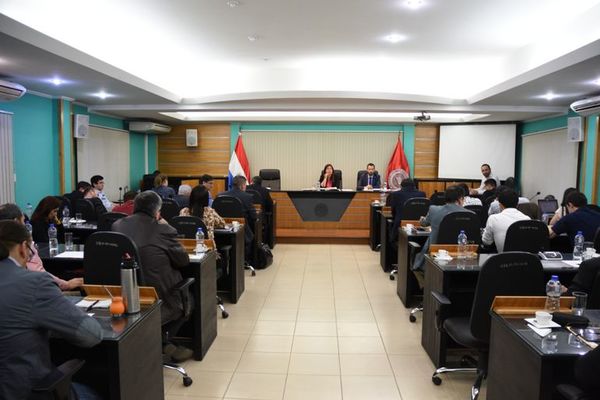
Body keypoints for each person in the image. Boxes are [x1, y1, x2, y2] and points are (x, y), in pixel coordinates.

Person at [0, 220, 102, 400]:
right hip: (25, 391)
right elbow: (91, 335)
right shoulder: (32, 283)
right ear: (24, 248)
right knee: (98, 390)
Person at [112, 191, 192, 362]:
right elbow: (183, 260)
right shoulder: (163, 228)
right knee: (189, 299)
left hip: (126, 295)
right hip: (159, 296)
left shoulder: (117, 225)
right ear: (157, 211)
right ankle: (162, 342)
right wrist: (163, 223)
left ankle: (158, 342)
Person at [0, 203, 83, 290]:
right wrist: (66, 284)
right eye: (23, 221)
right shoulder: (23, 243)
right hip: (35, 289)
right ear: (16, 222)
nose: (25, 225)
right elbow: (37, 273)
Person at [413, 186, 472, 271]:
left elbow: (424, 223)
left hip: (434, 256)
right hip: (460, 258)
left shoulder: (433, 209)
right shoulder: (470, 215)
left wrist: (422, 219)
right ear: (460, 199)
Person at [219, 175, 257, 264]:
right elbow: (254, 216)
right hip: (241, 230)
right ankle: (244, 260)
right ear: (242, 186)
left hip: (223, 229)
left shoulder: (220, 195)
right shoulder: (247, 196)